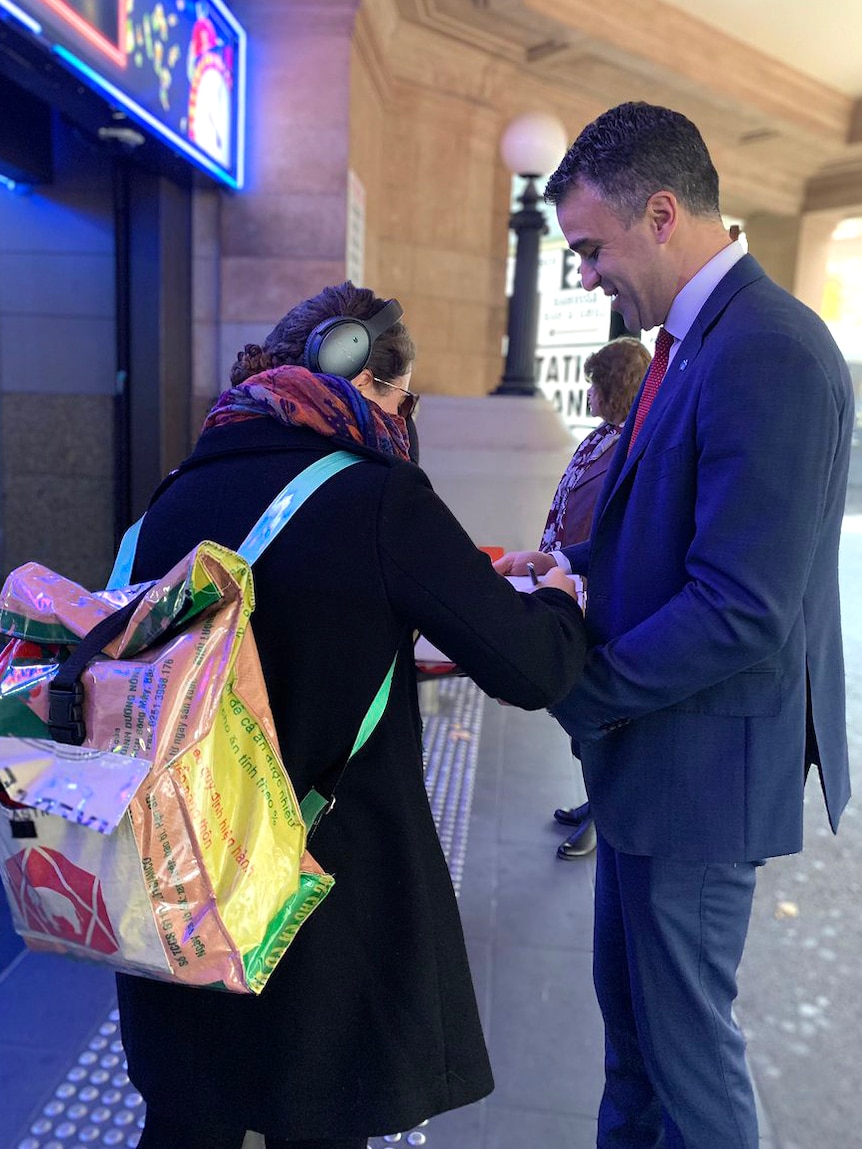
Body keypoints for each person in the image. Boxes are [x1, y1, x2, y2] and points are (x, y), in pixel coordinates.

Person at [115, 280, 587, 1149]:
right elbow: (530, 665)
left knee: (186, 1121)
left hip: (181, 883)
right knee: (318, 1120)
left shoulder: (173, 492)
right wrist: (559, 595)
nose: (410, 420)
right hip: (323, 899)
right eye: (410, 399)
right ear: (364, 379)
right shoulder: (379, 497)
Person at [494, 102, 854, 1148]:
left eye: (590, 249)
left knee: (689, 1072)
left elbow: (741, 608)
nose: (585, 275)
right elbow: (666, 531)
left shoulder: (768, 349)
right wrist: (567, 574)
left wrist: (570, 682)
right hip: (659, 766)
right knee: (637, 1051)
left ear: (661, 214)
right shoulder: (693, 342)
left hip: (701, 775)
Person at [540, 337, 650, 860]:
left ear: (614, 389)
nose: (587, 393)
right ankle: (592, 801)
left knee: (593, 718)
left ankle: (601, 812)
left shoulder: (630, 446)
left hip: (593, 599)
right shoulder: (605, 438)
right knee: (576, 716)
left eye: (594, 384)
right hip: (572, 588)